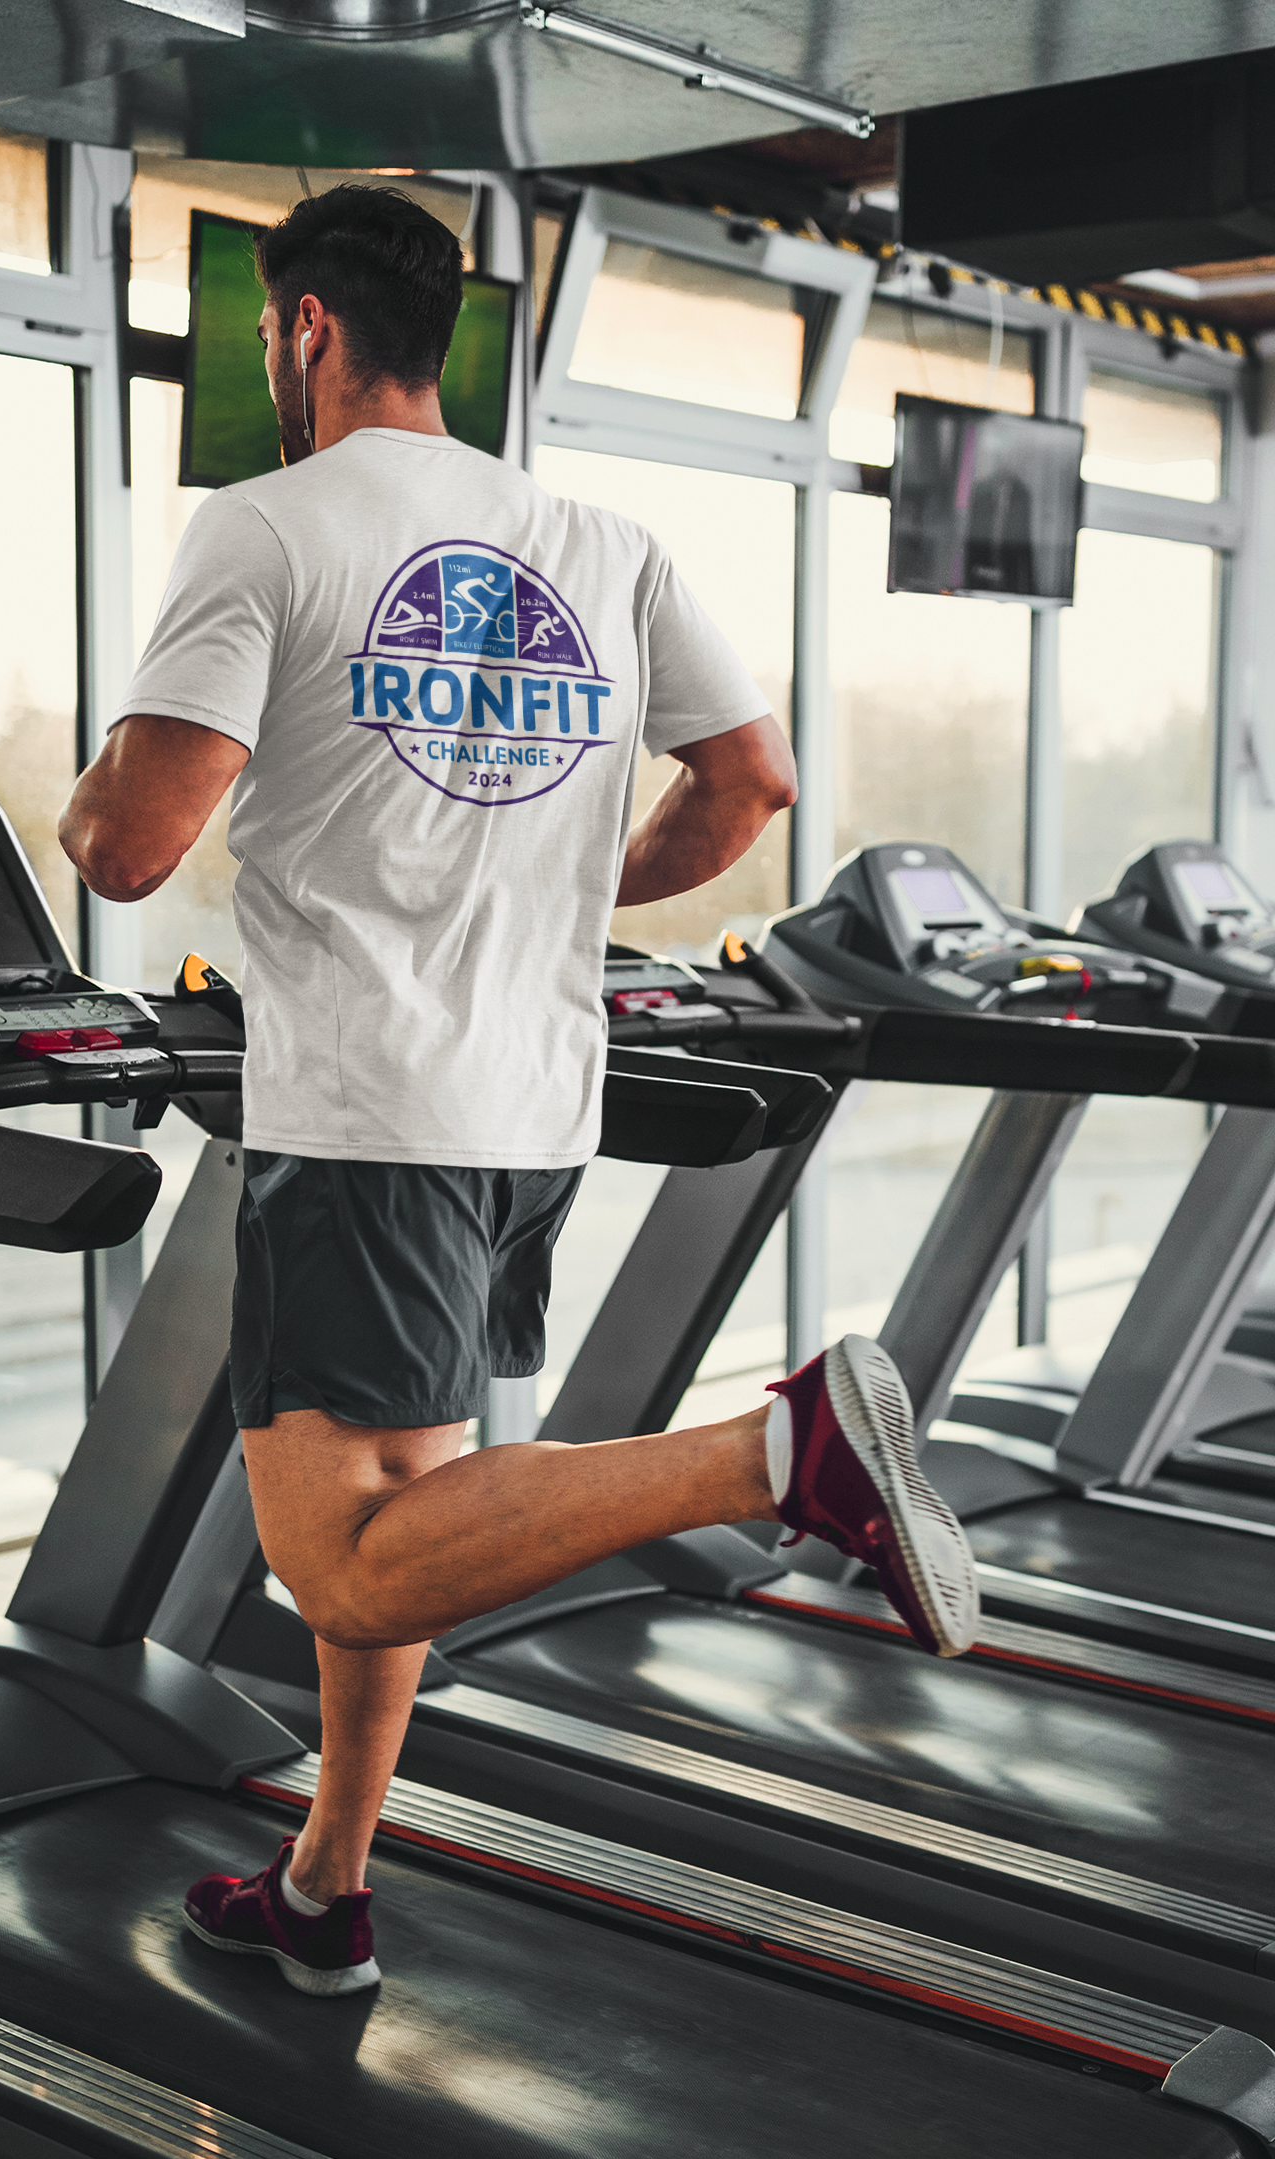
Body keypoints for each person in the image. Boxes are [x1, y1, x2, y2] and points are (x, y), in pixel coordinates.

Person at [60, 182, 980, 2002]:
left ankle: (773, 1452)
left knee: (341, 1569)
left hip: (364, 1112)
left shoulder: (266, 524)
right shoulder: (598, 539)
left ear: (307, 327)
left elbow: (131, 845)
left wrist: (94, 791)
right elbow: (753, 782)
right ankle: (326, 1890)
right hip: (531, 1110)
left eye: (273, 331)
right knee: (409, 1514)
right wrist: (567, 888)